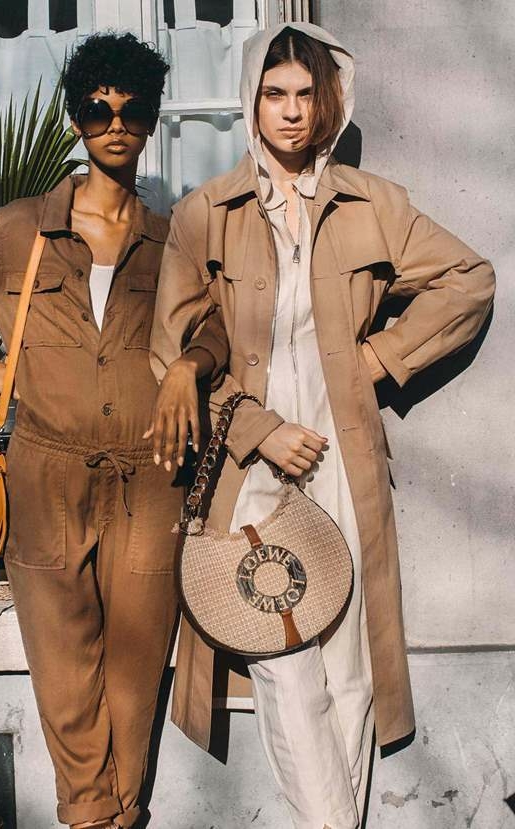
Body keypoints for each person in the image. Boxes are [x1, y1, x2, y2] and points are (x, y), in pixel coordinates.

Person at [148, 21, 495, 829]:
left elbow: (469, 279)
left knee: (348, 667)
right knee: (282, 653)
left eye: (307, 94)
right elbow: (170, 352)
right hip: (252, 469)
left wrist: (377, 359)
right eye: (275, 94)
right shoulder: (205, 214)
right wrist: (255, 428)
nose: (292, 111)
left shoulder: (375, 205)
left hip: (345, 454)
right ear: (251, 102)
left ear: (329, 101)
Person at [0, 31, 216, 829]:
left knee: (136, 671)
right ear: (76, 121)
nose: (116, 124)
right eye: (98, 109)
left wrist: (188, 366)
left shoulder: (172, 239)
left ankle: (117, 814)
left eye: (132, 110)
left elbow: (214, 327)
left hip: (150, 476)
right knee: (66, 673)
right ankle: (91, 817)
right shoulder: (20, 231)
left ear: (151, 121)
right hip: (47, 473)